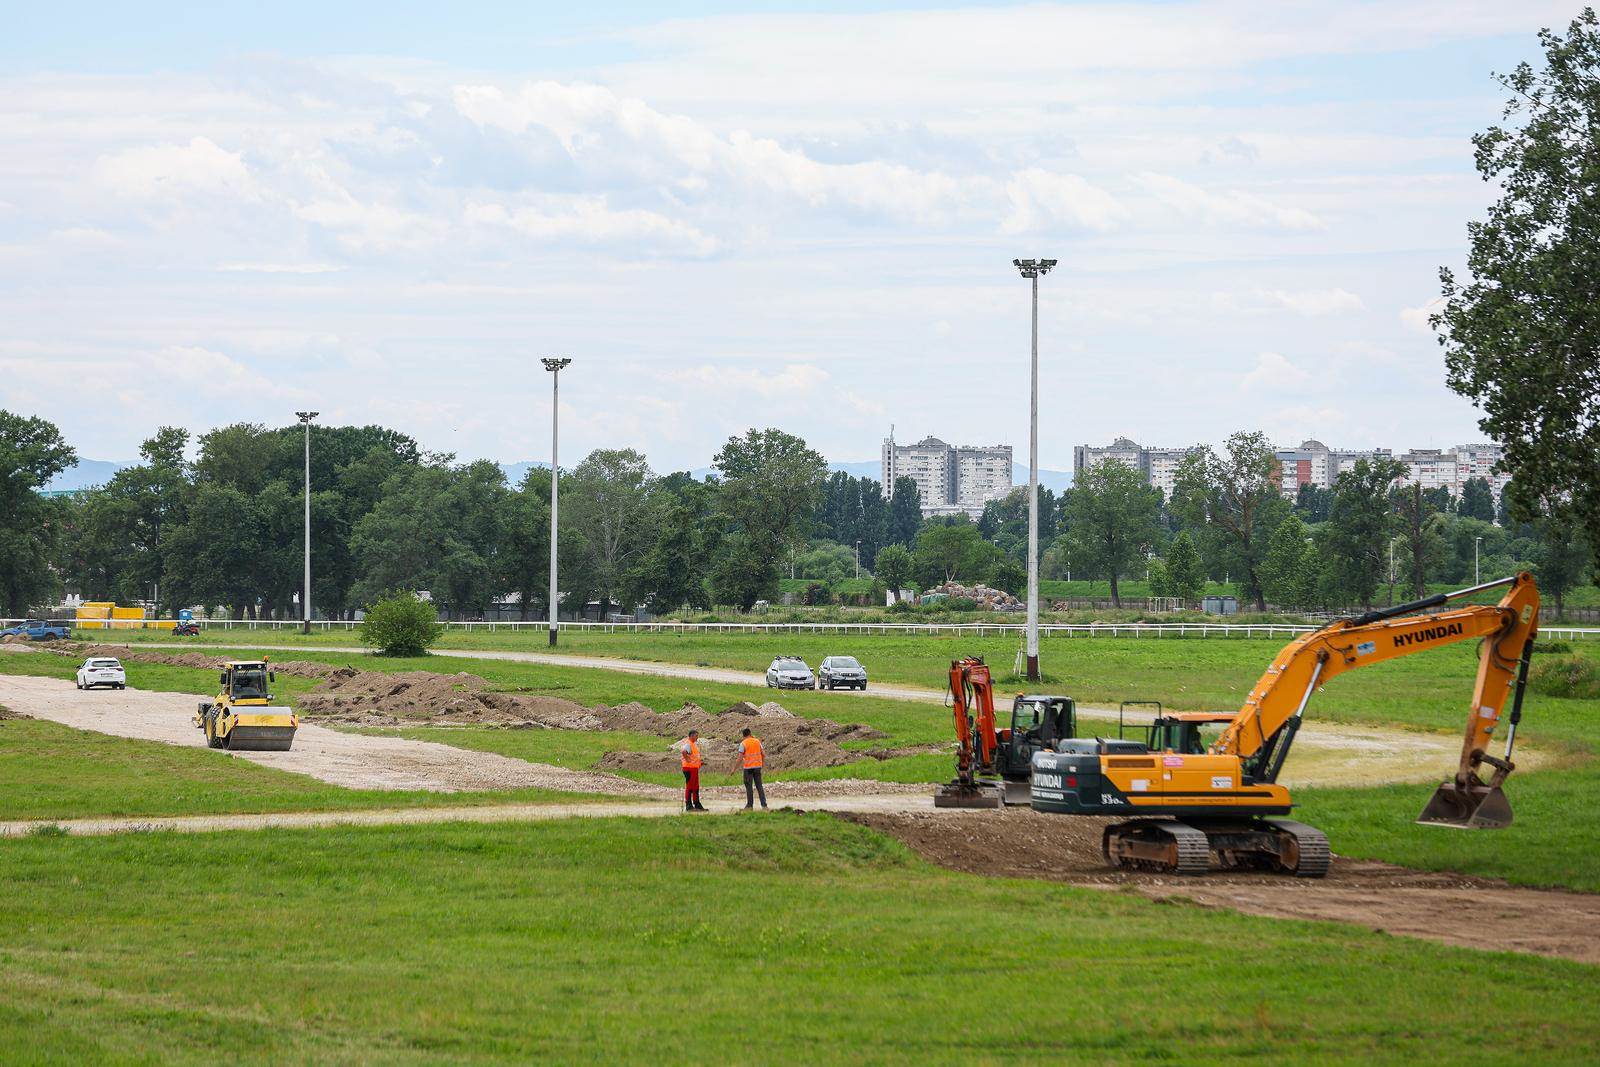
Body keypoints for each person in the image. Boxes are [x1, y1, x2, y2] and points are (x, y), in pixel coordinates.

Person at [732, 727, 767, 810]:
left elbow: (740, 758)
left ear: (743, 735)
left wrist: (734, 769)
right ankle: (764, 805)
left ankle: (749, 806)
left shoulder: (743, 743)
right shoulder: (757, 741)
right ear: (750, 733)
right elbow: (763, 754)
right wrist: (762, 764)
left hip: (748, 768)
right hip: (758, 767)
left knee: (749, 787)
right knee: (759, 786)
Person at [672, 730, 706, 812]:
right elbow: (684, 752)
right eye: (696, 735)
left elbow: (693, 756)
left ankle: (697, 804)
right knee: (690, 787)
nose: (697, 737)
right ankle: (689, 806)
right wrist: (688, 760)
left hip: (694, 768)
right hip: (689, 768)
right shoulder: (688, 743)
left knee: (695, 787)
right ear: (692, 736)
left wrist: (699, 763)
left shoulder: (692, 744)